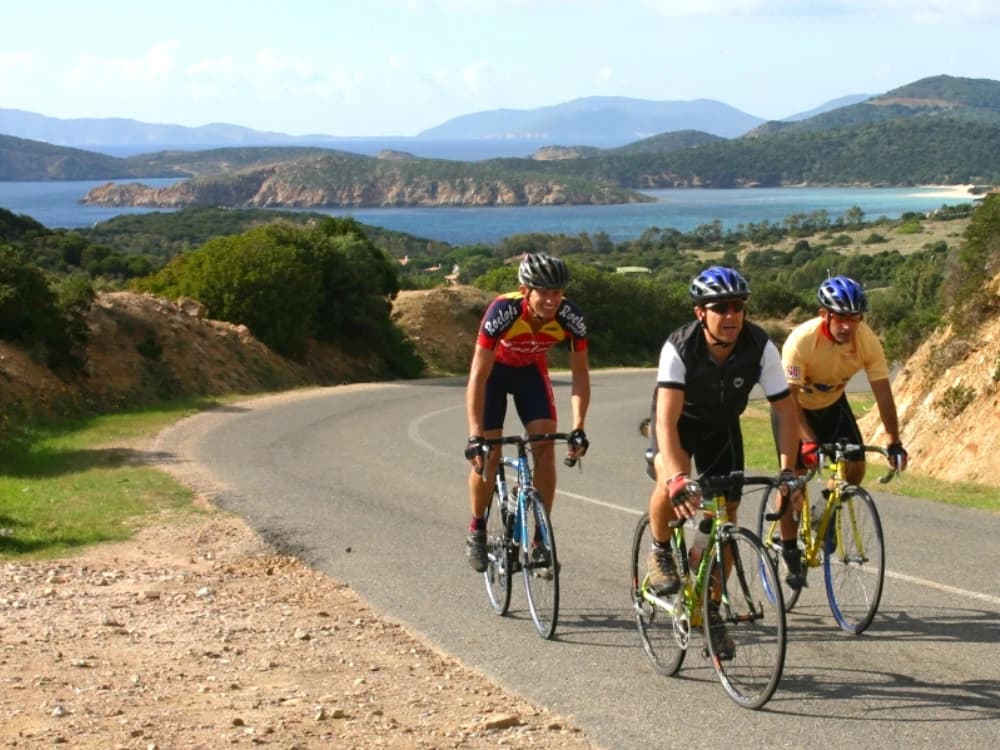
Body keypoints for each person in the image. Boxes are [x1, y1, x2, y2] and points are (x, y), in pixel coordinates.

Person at [644, 266, 802, 658]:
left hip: (722, 428)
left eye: (738, 307)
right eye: (720, 308)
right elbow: (665, 418)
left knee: (725, 521)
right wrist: (678, 476)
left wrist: (788, 472)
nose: (731, 316)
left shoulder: (760, 346)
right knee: (669, 480)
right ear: (701, 312)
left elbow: (784, 409)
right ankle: (660, 549)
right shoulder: (679, 347)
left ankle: (710, 611)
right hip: (679, 423)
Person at [464, 252, 590, 573]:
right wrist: (475, 434)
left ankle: (539, 541)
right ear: (525, 291)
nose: (551, 300)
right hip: (493, 375)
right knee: (489, 455)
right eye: (544, 293)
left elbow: (580, 376)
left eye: (557, 293)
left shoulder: (571, 317)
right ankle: (477, 529)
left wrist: (578, 427)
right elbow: (477, 377)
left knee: (545, 451)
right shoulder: (503, 311)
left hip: (530, 374)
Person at [781, 275, 908, 486]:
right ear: (824, 315)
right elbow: (788, 398)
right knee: (793, 484)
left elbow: (883, 394)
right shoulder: (801, 341)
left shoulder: (868, 342)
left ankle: (823, 514)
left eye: (853, 318)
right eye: (840, 319)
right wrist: (808, 439)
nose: (847, 326)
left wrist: (894, 441)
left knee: (854, 470)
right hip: (795, 409)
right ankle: (789, 514)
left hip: (832, 404)